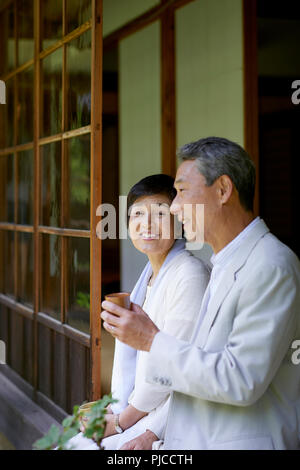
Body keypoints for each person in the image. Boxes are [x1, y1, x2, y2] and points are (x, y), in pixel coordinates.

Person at [102, 137, 300, 450]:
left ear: (222, 190)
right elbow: (198, 369)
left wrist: (151, 339)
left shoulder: (271, 265)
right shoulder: (223, 263)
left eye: (181, 192)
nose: (176, 208)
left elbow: (241, 381)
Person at [67, 174, 210, 450]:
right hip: (140, 412)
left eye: (159, 213)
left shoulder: (189, 275)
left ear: (178, 218)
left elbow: (178, 367)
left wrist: (123, 420)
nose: (147, 224)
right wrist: (115, 411)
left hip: (170, 420)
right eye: (137, 215)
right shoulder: (147, 278)